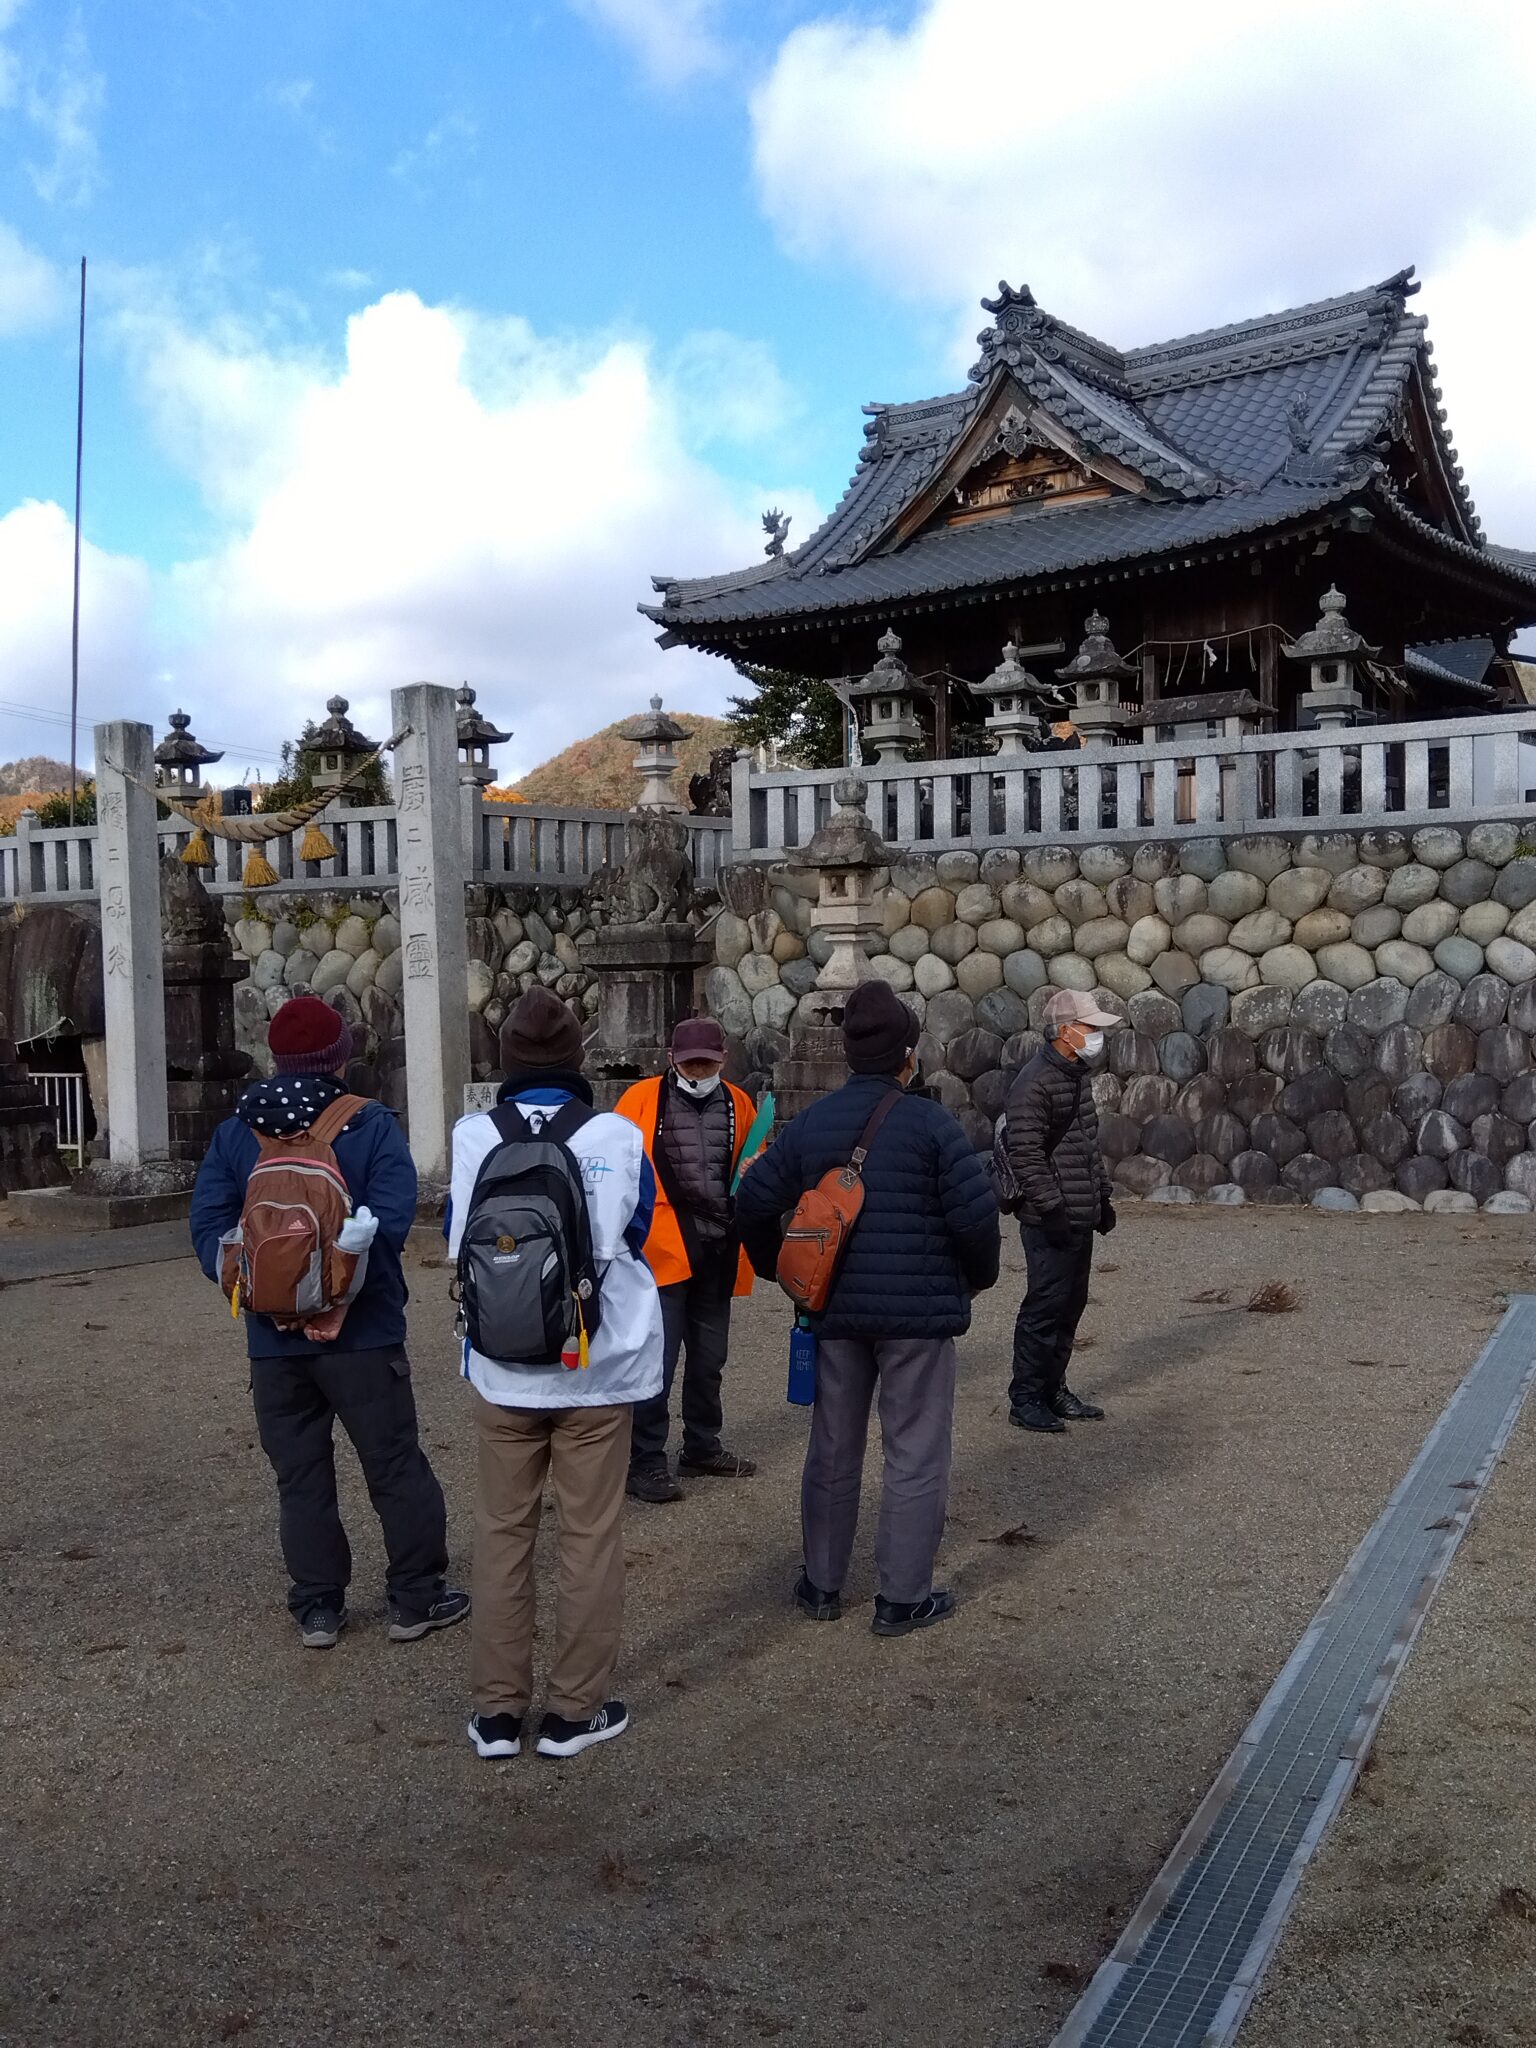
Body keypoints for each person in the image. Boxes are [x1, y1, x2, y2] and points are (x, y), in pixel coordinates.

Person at [190, 994, 467, 1649]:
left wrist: (265, 1293)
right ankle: (415, 1598)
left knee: (301, 1477)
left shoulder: (238, 1131)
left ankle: (318, 1606)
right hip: (363, 1336)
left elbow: (208, 1228)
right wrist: (337, 1296)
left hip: (272, 1343)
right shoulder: (368, 1124)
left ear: (276, 1058)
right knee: (393, 1464)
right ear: (340, 1058)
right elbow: (391, 1222)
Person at [736, 980, 1000, 1638]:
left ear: (849, 1055)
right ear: (908, 1056)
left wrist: (779, 1269)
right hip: (917, 1317)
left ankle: (822, 1584)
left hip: (834, 1311)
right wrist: (974, 1281)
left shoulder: (812, 1124)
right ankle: (901, 1598)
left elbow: (751, 1198)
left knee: (832, 1445)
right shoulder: (933, 1125)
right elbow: (976, 1220)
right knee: (914, 1450)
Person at [449, 987, 663, 1762]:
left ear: (507, 1060)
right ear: (577, 1058)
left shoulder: (474, 1135)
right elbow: (636, 1233)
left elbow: (459, 1244)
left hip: (503, 1368)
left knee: (503, 1533)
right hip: (596, 1368)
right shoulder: (617, 1134)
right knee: (589, 1536)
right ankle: (574, 1713)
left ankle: (498, 1716)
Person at [615, 1017, 758, 1505]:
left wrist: (758, 1171)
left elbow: (753, 1160)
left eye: (707, 1063)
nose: (699, 1071)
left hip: (719, 1248)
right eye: (690, 1062)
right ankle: (645, 1460)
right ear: (670, 1059)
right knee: (656, 1361)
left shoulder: (740, 1103)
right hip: (660, 1253)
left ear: (724, 1060)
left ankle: (702, 1445)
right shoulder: (638, 1101)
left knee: (709, 1359)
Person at [1005, 987, 1120, 1434]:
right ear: (1066, 1031)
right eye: (1090, 1028)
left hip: (1079, 1212)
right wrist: (1051, 1209)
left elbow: (1088, 1146)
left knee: (1071, 1304)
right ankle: (1026, 1397)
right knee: (1044, 1307)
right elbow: (1026, 1154)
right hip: (1048, 1218)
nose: (1096, 1036)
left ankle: (1053, 1388)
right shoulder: (1033, 1083)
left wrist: (1102, 1196)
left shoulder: (1076, 1075)